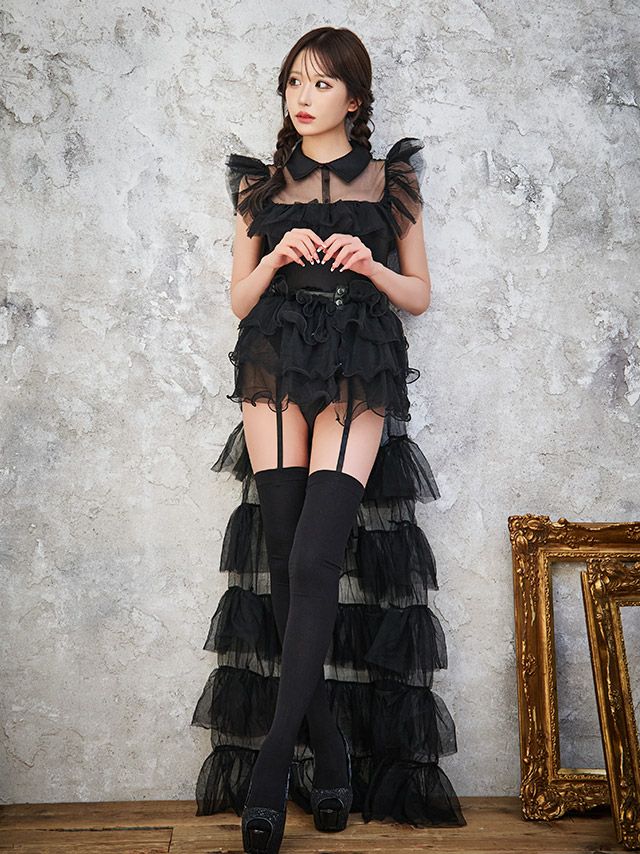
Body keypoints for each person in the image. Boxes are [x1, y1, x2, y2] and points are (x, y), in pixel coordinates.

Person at [190, 26, 466, 854]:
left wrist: (368, 265)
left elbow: (419, 294)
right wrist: (275, 255)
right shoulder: (260, 184)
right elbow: (239, 300)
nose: (302, 97)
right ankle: (332, 756)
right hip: (275, 355)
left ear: (355, 97)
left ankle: (273, 770)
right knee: (283, 561)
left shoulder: (390, 180)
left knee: (314, 560)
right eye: (293, 83)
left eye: (320, 83)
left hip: (358, 359)